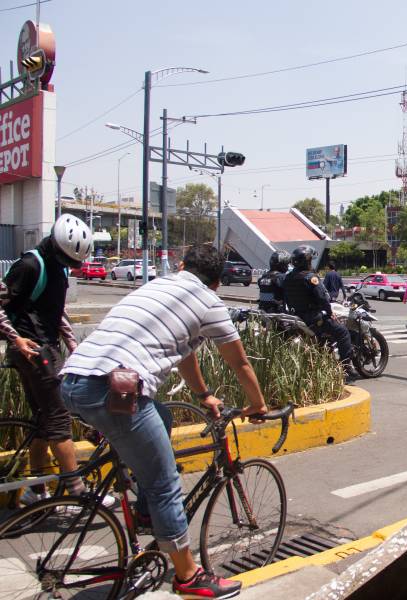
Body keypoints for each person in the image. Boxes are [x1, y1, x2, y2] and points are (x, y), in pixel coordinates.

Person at [60, 243, 267, 598]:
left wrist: (203, 395)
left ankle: (145, 514)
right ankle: (188, 577)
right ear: (217, 282)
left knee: (163, 415)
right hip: (115, 393)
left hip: (73, 381)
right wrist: (259, 404)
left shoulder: (157, 285)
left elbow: (185, 353)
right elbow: (240, 362)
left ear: (183, 265)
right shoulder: (208, 302)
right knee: (164, 484)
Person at [0, 214, 113, 506]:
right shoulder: (29, 265)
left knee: (43, 420)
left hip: (48, 346)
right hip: (32, 349)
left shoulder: (59, 269)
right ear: (55, 246)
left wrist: (74, 346)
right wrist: (16, 338)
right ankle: (78, 489)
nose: (68, 266)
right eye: (66, 259)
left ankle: (35, 489)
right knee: (59, 415)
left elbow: (56, 312)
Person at [283, 245, 355, 378]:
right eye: (310, 261)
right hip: (314, 318)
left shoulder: (288, 278)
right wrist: (329, 312)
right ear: (306, 262)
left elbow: (286, 299)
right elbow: (322, 298)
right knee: (343, 332)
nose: (311, 263)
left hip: (298, 317)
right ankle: (346, 366)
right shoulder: (310, 277)